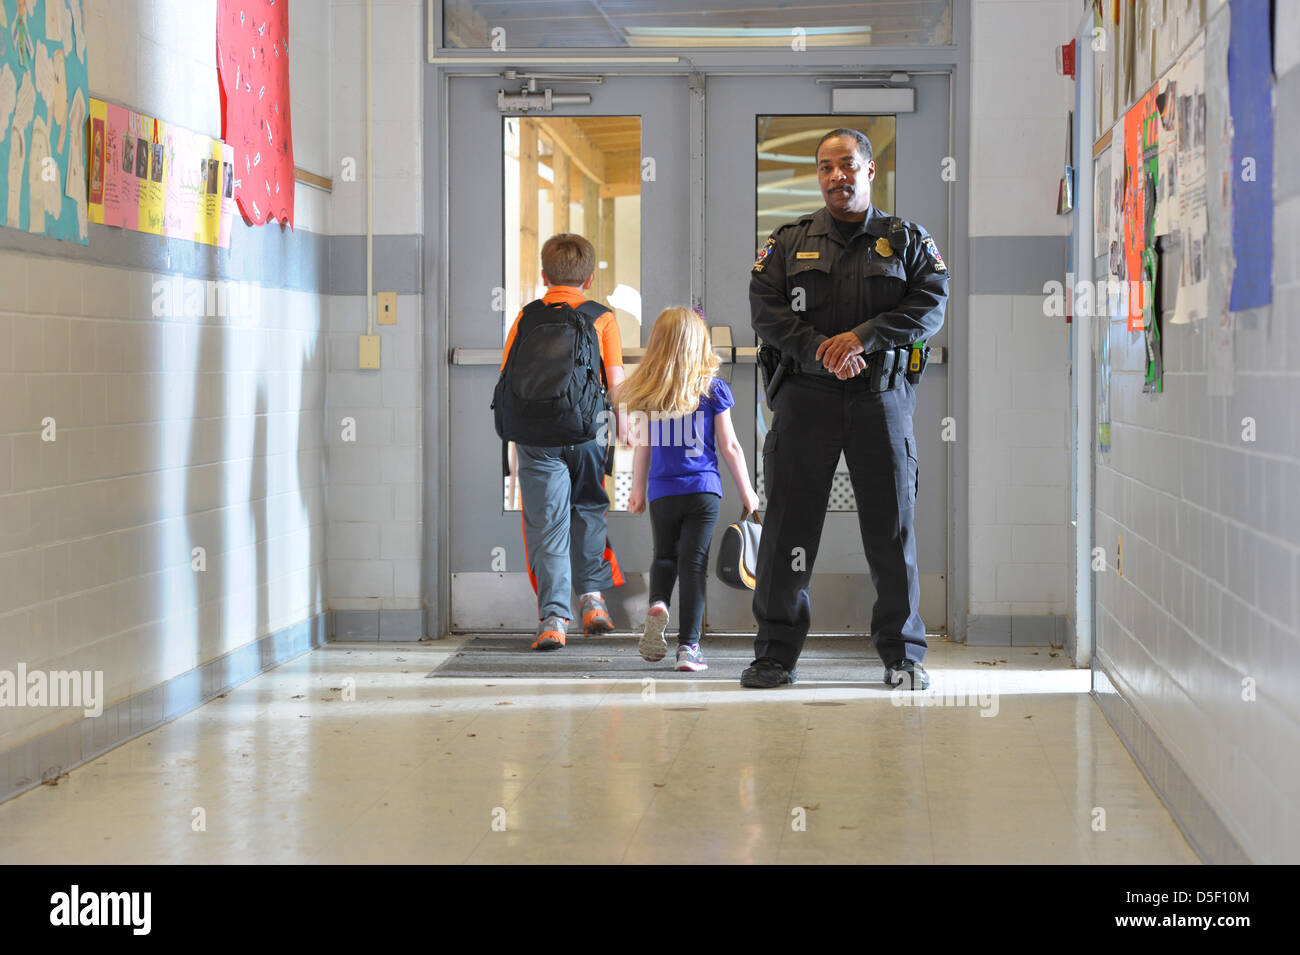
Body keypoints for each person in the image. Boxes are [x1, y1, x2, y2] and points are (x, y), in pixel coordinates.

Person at [743, 128, 949, 690]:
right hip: (805, 397)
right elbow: (765, 311)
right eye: (826, 167)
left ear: (869, 170)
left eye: (847, 165)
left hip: (880, 397)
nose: (837, 176)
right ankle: (775, 655)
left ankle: (903, 656)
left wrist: (861, 339)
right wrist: (820, 349)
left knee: (892, 528)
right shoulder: (788, 241)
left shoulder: (905, 239)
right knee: (789, 526)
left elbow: (931, 304)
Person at [499, 234, 626, 650]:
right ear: (588, 279)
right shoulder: (602, 317)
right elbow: (616, 380)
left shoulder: (526, 316)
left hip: (537, 438)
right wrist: (623, 427)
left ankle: (554, 619)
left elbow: (507, 379)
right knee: (589, 510)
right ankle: (593, 603)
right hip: (589, 434)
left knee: (548, 525)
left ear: (543, 275)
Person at [622, 307, 760, 672]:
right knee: (694, 567)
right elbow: (730, 446)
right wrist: (748, 491)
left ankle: (658, 603)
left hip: (662, 492)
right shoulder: (713, 389)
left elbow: (643, 447)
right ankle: (688, 649)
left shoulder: (648, 392)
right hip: (703, 491)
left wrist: (636, 490)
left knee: (664, 555)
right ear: (701, 342)